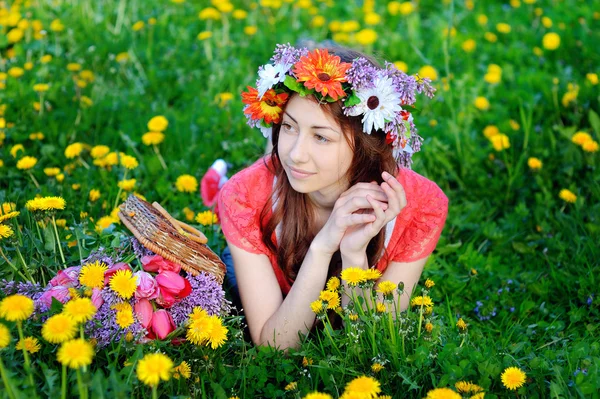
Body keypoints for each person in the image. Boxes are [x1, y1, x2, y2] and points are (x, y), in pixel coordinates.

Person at [216, 44, 448, 350]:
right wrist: (322, 247)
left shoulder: (422, 206)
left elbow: (371, 344)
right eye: (288, 127)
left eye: (321, 137)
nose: (296, 155)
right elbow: (275, 346)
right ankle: (219, 180)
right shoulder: (245, 197)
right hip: (268, 258)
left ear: (365, 145)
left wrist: (354, 253)